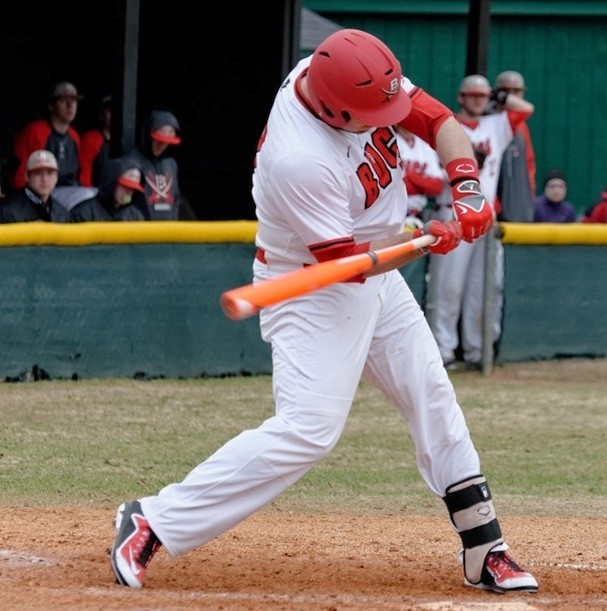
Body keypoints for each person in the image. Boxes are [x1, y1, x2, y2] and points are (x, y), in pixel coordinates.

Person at [109, 28, 537, 596]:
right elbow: (346, 265)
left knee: (431, 393)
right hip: (312, 285)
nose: (387, 121)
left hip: (375, 262)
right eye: (373, 117)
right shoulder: (298, 158)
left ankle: (485, 547)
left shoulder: (349, 71)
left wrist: (466, 187)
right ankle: (154, 520)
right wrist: (426, 241)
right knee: (308, 430)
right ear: (335, 111)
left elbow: (439, 122)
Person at [427, 74, 534, 370]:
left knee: (484, 289)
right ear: (460, 97)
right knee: (448, 288)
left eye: (482, 95)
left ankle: (478, 351)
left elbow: (525, 108)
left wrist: (499, 96)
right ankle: (443, 351)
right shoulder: (448, 125)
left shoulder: (495, 125)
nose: (477, 100)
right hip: (453, 212)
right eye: (472, 95)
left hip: (485, 217)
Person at [116, 109, 195, 220]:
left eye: (167, 142)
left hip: (168, 227)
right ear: (149, 136)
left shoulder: (171, 164)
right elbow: (123, 200)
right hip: (140, 227)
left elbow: (176, 198)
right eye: (159, 141)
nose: (162, 145)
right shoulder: (131, 161)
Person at [9, 81, 84, 190]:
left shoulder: (74, 137)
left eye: (74, 100)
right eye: (63, 100)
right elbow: (16, 178)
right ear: (51, 106)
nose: (70, 105)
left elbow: (76, 176)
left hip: (66, 192)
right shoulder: (34, 132)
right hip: (35, 193)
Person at [0, 150, 109, 223]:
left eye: (50, 173)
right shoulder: (7, 212)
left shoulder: (62, 213)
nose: (44, 179)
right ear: (27, 177)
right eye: (38, 173)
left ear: (57, 177)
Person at [494, 70, 536, 197]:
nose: (511, 96)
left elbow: (528, 159)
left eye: (516, 91)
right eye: (506, 91)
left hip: (514, 187)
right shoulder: (487, 117)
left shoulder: (520, 123)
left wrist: (531, 187)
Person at [395, 124, 446, 226]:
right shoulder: (391, 141)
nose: (409, 126)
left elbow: (437, 187)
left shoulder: (425, 146)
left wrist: (410, 177)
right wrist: (422, 182)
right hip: (393, 212)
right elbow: (392, 185)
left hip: (418, 214)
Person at [79, 94, 113, 188]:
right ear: (101, 115)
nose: (114, 113)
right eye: (109, 110)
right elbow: (84, 178)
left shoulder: (128, 141)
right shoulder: (92, 139)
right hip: (94, 193)